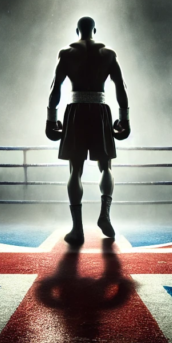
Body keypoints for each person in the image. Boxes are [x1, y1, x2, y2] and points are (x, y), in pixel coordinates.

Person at [45, 17, 130, 245]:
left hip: (76, 111)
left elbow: (55, 89)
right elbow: (120, 86)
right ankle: (105, 214)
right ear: (94, 30)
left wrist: (50, 119)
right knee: (106, 166)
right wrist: (125, 119)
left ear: (77, 31)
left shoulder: (67, 53)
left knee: (75, 170)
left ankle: (77, 229)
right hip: (101, 111)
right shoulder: (108, 53)